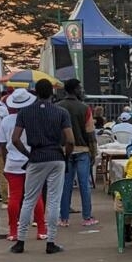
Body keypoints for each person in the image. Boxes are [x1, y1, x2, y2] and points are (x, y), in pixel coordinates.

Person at [10, 79, 73, 255]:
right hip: (56, 157)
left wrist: (28, 154)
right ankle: (50, 241)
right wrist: (65, 155)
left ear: (35, 93)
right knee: (53, 200)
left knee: (29, 199)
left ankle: (20, 241)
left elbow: (15, 139)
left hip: (36, 157)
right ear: (52, 92)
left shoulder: (25, 112)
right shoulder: (61, 113)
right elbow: (70, 140)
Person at [0, 89, 48, 242]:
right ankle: (41, 229)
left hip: (12, 163)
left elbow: (2, 145)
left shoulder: (6, 120)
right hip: (32, 162)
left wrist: (6, 163)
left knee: (14, 197)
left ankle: (13, 231)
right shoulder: (36, 118)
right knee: (36, 196)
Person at [56, 79, 98, 228]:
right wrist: (93, 152)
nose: (81, 90)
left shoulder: (58, 107)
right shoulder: (85, 108)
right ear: (74, 90)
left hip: (64, 151)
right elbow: (90, 133)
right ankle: (87, 217)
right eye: (79, 88)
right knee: (84, 185)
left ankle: (64, 218)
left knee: (65, 185)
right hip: (82, 151)